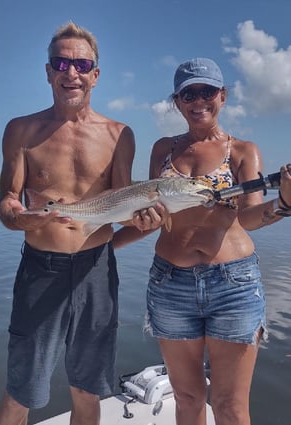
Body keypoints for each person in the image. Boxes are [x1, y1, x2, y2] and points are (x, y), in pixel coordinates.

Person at [0, 22, 163, 425]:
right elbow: (7, 200)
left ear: (95, 74)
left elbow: (125, 207)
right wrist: (17, 219)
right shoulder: (20, 130)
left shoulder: (120, 134)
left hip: (96, 271)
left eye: (82, 63)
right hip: (41, 270)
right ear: (49, 71)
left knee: (88, 389)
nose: (72, 72)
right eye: (62, 63)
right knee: (23, 389)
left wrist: (149, 220)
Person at [113, 57, 291, 425]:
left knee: (229, 406)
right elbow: (155, 215)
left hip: (234, 285)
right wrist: (107, 245)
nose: (198, 100)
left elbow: (250, 217)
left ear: (222, 96)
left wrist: (286, 202)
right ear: (177, 101)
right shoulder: (163, 149)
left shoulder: (243, 151)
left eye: (207, 91)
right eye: (188, 93)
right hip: (169, 284)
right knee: (188, 398)